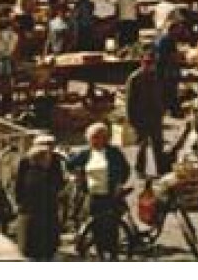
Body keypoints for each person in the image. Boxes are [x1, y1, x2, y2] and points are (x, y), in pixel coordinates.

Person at [66, 122, 131, 260]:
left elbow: (126, 169)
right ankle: (101, 254)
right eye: (92, 137)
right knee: (96, 227)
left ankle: (113, 255)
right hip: (93, 195)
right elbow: (69, 164)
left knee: (111, 226)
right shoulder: (85, 153)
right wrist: (77, 175)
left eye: (97, 137)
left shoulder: (114, 152)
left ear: (105, 138)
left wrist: (120, 183)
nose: (94, 140)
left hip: (111, 195)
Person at [13, 133, 65, 260]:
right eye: (46, 146)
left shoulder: (55, 160)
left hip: (45, 207)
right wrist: (19, 201)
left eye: (51, 146)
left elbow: (58, 181)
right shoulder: (26, 162)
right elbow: (19, 183)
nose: (49, 149)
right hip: (35, 208)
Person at [123, 50, 168, 177]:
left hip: (155, 115)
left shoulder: (157, 76)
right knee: (141, 145)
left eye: (153, 62)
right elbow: (129, 101)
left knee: (158, 144)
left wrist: (162, 108)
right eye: (147, 62)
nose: (150, 65)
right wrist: (131, 119)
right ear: (142, 62)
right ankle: (139, 169)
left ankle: (161, 169)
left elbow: (162, 93)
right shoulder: (134, 78)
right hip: (140, 116)